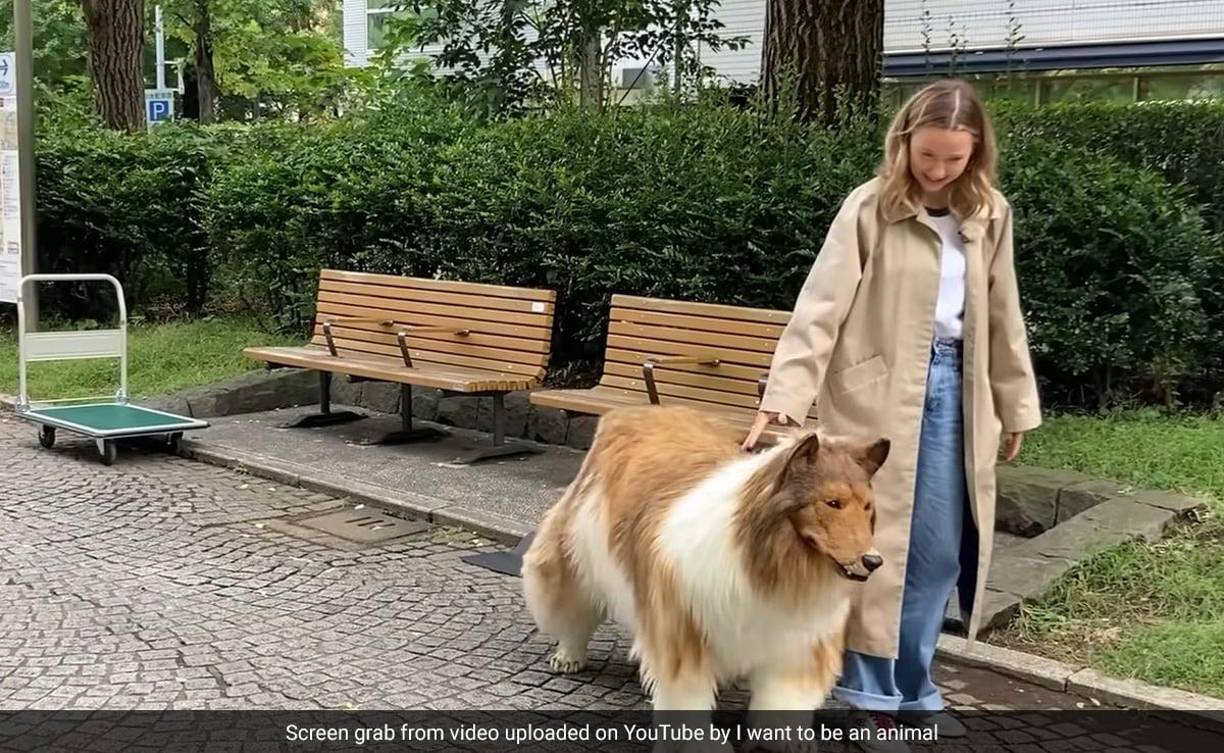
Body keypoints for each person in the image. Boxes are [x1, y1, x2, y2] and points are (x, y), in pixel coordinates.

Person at [742, 78, 1042, 753]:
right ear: (904, 142)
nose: (937, 170)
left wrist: (1016, 402)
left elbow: (1004, 311)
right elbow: (820, 308)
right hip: (873, 399)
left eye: (954, 159)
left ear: (976, 154)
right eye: (927, 155)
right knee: (874, 549)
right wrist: (784, 398)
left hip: (960, 393)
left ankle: (915, 685)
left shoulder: (990, 213)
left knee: (938, 554)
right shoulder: (869, 206)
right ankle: (868, 696)